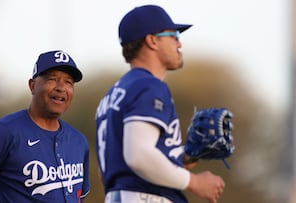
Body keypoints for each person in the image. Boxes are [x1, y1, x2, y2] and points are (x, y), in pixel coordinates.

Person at [95, 5, 225, 203]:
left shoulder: (112, 94)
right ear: (152, 40)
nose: (179, 44)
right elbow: (138, 157)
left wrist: (182, 157)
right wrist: (194, 182)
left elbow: (115, 167)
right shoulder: (149, 86)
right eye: (173, 35)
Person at [0, 50, 90, 203]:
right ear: (32, 86)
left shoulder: (79, 141)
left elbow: (79, 195)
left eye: (69, 82)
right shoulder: (3, 132)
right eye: (52, 79)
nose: (61, 87)